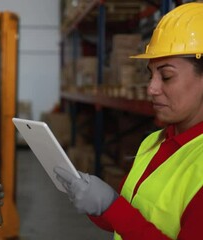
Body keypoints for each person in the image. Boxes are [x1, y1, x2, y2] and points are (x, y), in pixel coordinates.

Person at [53, 2, 203, 239]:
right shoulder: (154, 142)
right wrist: (99, 203)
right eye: (150, 74)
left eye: (166, 76)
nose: (151, 88)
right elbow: (127, 219)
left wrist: (112, 207)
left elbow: (123, 217)